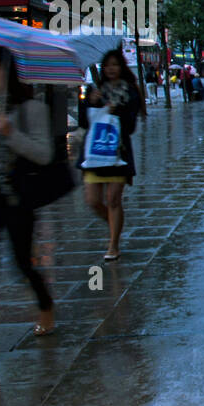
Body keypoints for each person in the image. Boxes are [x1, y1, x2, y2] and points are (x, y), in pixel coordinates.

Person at [0, 46, 56, 370]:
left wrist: (11, 133)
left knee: (21, 262)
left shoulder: (29, 108)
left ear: (7, 71)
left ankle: (45, 302)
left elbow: (44, 154)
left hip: (16, 198)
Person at [79, 49, 143, 261]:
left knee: (113, 199)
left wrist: (117, 111)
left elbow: (131, 126)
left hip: (118, 153)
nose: (111, 69)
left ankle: (113, 244)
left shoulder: (131, 91)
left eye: (115, 64)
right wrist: (90, 102)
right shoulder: (96, 91)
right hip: (94, 153)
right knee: (92, 200)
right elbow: (84, 122)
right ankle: (115, 222)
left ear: (121, 67)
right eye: (107, 66)